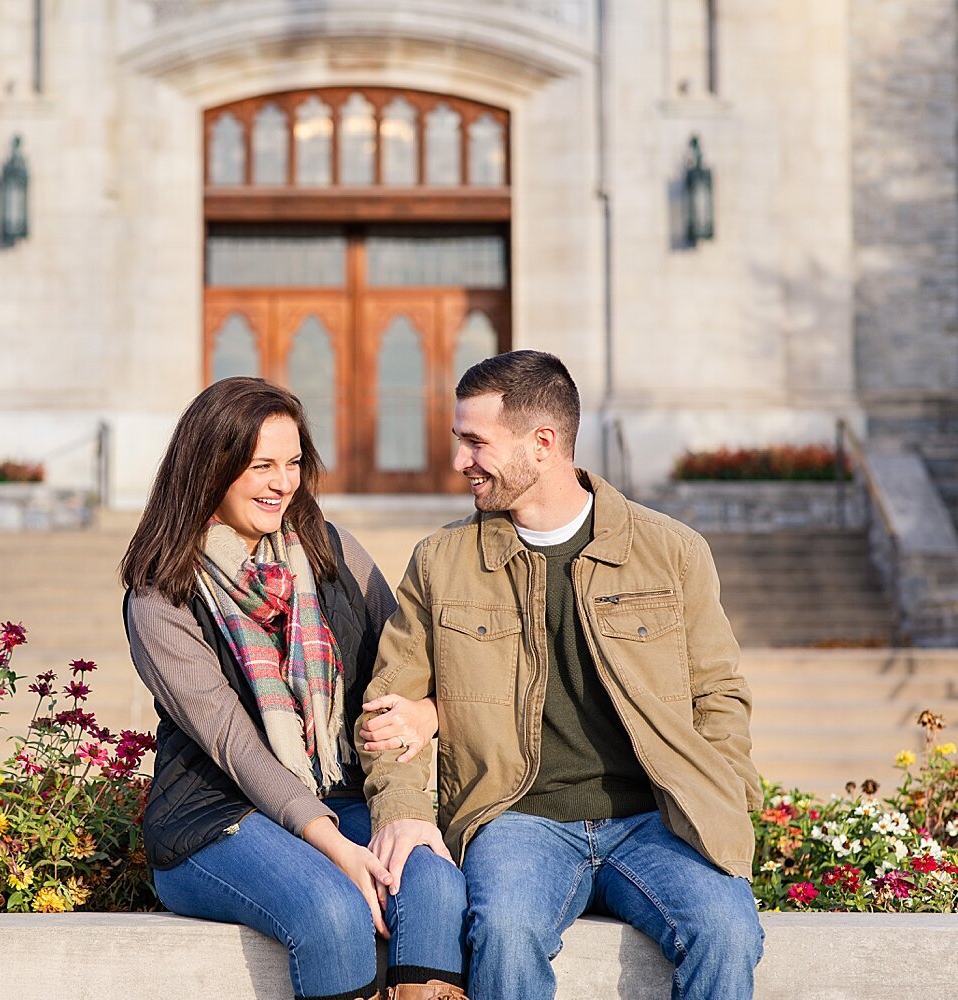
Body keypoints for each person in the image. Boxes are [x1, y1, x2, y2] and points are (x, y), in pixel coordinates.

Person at [358, 351, 763, 1000]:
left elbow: (718, 694)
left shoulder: (671, 552)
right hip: (517, 818)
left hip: (656, 819)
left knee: (728, 931)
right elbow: (390, 709)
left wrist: (727, 797)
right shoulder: (440, 561)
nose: (460, 460)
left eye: (475, 442)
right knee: (505, 933)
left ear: (542, 445)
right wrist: (404, 813)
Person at [121, 377, 469, 1000]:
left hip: (346, 791)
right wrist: (337, 846)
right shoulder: (161, 596)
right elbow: (233, 746)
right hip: (216, 818)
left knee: (434, 884)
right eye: (261, 466)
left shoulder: (331, 551)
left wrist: (426, 713)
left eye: (293, 463)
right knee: (331, 909)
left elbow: (407, 668)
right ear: (210, 470)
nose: (283, 482)